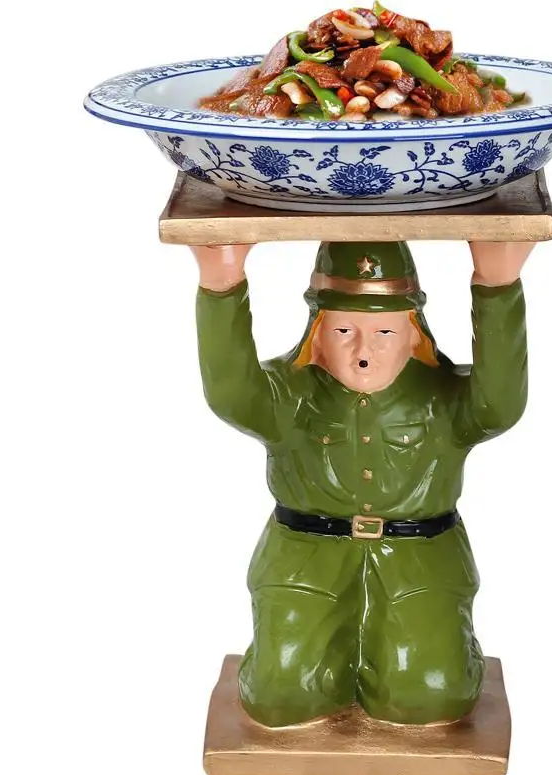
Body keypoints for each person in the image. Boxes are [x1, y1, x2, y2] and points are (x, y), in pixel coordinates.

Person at [191, 239, 534, 727]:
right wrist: (221, 282)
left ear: (413, 334)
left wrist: (497, 284)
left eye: (384, 332)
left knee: (428, 694)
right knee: (282, 695)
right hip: (306, 559)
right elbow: (232, 393)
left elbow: (499, 404)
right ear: (317, 334)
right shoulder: (291, 393)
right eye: (344, 331)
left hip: (419, 561)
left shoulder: (442, 397)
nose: (363, 352)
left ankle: (442, 658)